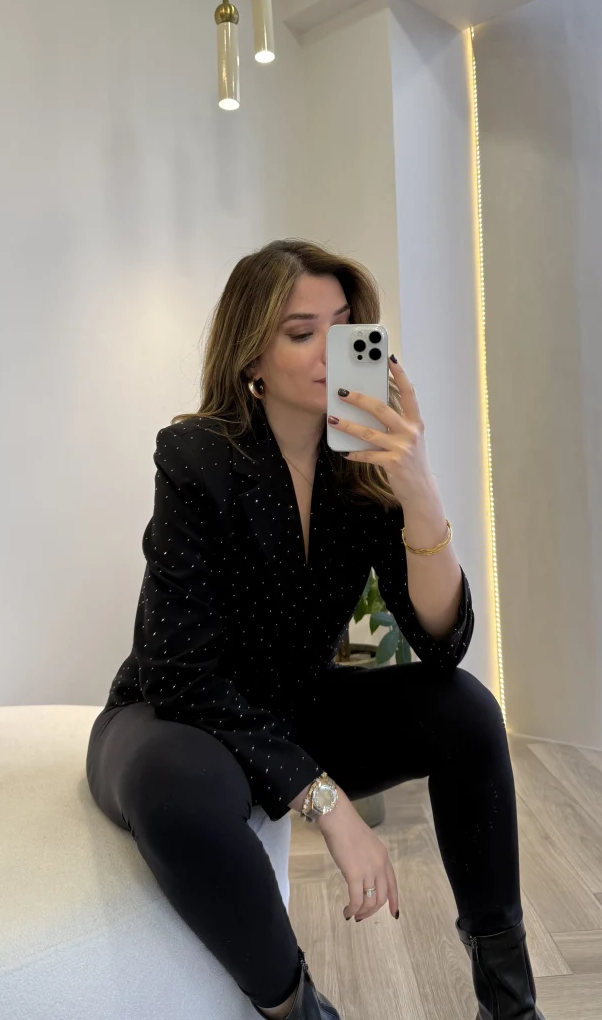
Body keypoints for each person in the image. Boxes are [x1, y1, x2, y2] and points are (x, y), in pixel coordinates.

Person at [86, 238, 545, 1019]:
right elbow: (180, 674)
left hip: (294, 706)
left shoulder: (361, 468)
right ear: (252, 359)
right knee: (176, 783)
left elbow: (441, 642)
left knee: (466, 709)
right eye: (302, 333)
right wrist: (327, 804)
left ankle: (510, 1004)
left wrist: (419, 491)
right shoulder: (196, 457)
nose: (331, 352)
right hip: (175, 720)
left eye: (343, 329)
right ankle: (297, 1008)